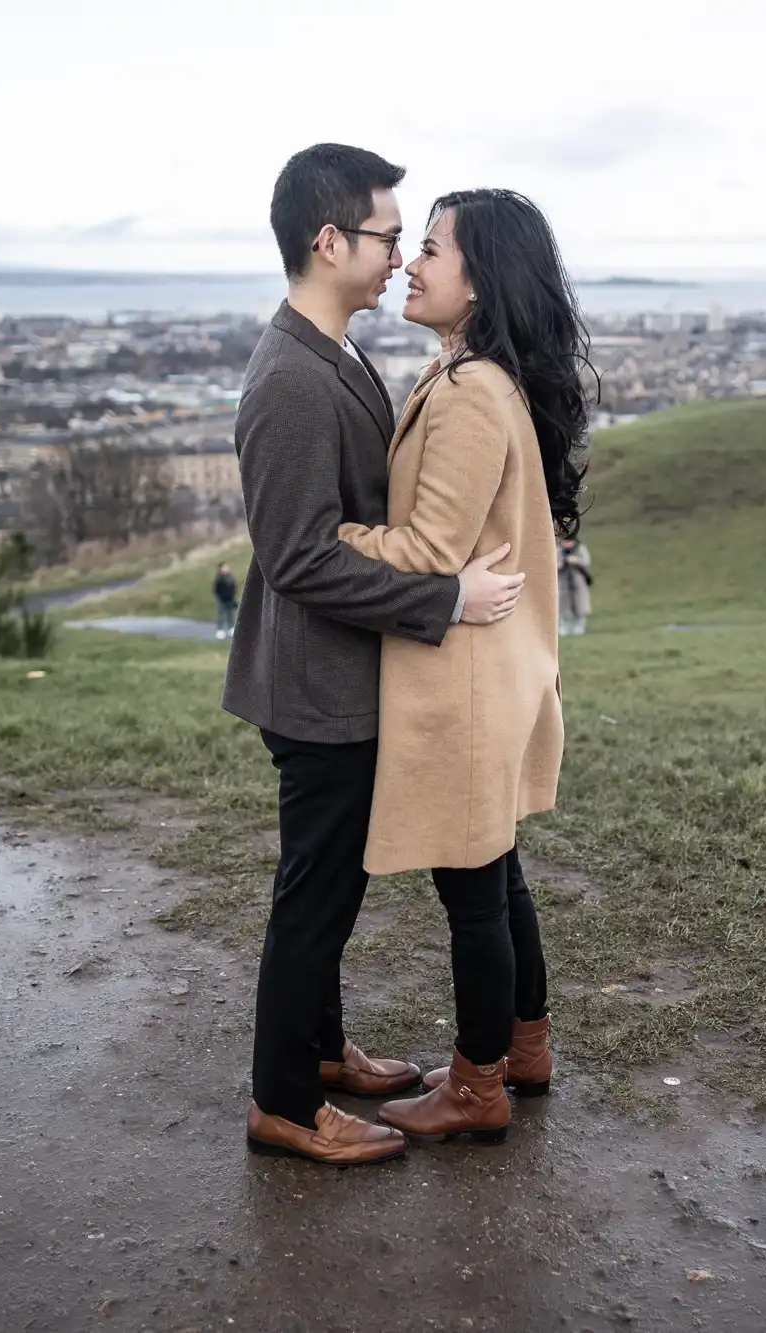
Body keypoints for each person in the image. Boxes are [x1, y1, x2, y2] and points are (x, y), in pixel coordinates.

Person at [224, 145, 529, 1167]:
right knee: (316, 896)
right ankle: (283, 1102)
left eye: (411, 242)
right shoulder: (291, 380)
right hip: (313, 684)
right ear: (328, 242)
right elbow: (300, 557)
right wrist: (444, 595)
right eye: (389, 235)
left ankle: (318, 1052)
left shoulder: (338, 351)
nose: (400, 255)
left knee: (330, 889)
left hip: (341, 673)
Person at [332, 188, 588, 1145]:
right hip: (492, 668)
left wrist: (335, 538)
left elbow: (430, 549)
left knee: (473, 888)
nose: (410, 263)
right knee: (498, 875)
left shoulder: (475, 391)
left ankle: (479, 1086)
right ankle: (523, 1048)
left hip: (467, 677)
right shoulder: (475, 376)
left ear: (480, 282)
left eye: (431, 249)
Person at [556, 536, 592, 635]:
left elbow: (586, 562)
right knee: (563, 606)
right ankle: (564, 628)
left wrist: (577, 561)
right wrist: (564, 562)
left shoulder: (580, 549)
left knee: (580, 605)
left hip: (579, 582)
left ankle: (579, 628)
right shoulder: (558, 550)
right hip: (563, 582)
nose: (568, 543)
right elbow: (553, 564)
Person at [211, 562, 238, 640]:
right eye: (223, 568)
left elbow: (234, 588)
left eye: (226, 567)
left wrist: (233, 597)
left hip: (230, 598)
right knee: (221, 615)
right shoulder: (219, 578)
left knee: (230, 614)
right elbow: (216, 589)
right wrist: (219, 597)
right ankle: (220, 630)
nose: (225, 569)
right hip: (221, 599)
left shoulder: (231, 577)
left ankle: (231, 629)